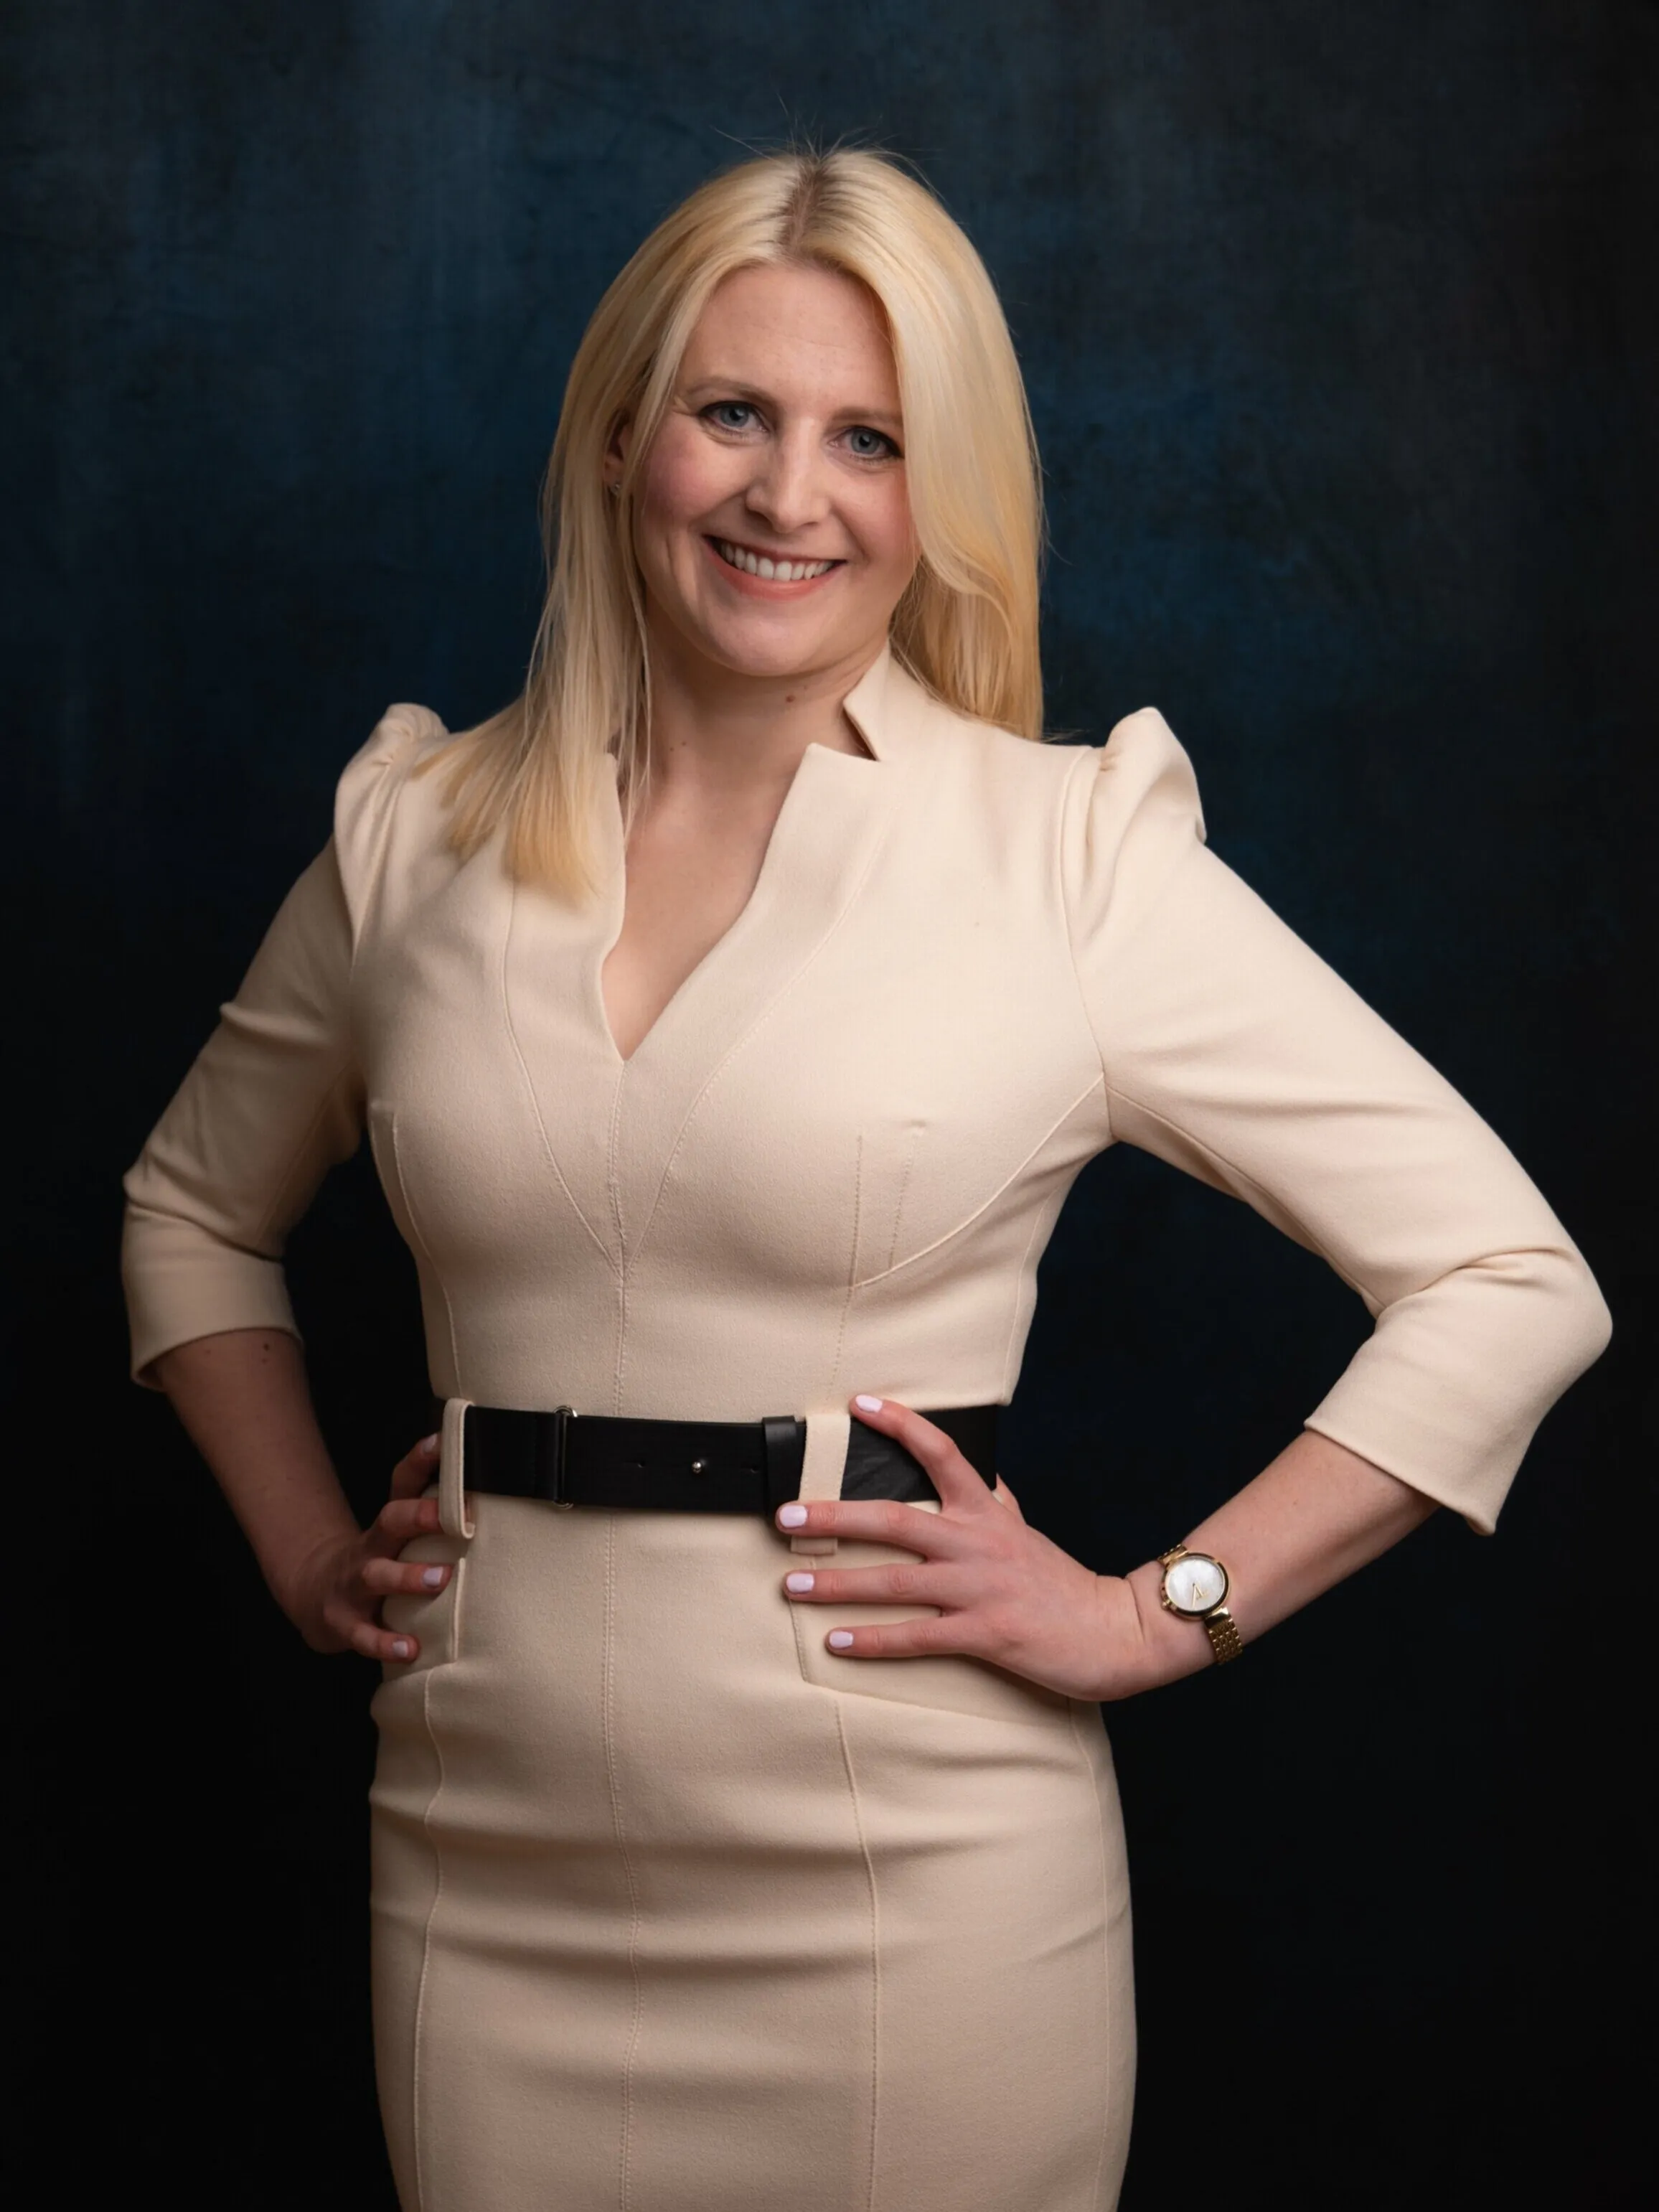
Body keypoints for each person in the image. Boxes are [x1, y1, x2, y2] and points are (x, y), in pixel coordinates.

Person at [120, 146, 1611, 2212]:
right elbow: (190, 1211)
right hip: (481, 1862)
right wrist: (306, 1555)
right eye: (733, 412)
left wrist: (1159, 1614)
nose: (788, 496)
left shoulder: (1065, 857)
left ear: (936, 494)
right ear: (625, 436)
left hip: (920, 1884)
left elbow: (1508, 1276)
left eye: (868, 440)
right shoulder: (416, 838)